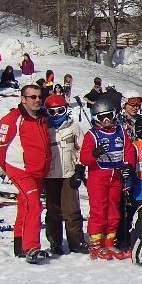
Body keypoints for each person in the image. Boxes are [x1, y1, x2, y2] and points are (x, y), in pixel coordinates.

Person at [0, 85, 52, 263]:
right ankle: (31, 246)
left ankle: (19, 244)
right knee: (34, 204)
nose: (37, 100)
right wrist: (5, 167)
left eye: (39, 97)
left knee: (25, 205)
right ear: (23, 99)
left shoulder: (42, 117)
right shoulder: (13, 118)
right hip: (20, 169)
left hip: (38, 170)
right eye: (32, 97)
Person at [79, 96, 137, 260]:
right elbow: (84, 158)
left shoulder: (121, 131)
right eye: (101, 117)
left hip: (116, 177)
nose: (105, 121)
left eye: (108, 116)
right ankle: (96, 243)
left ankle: (109, 241)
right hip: (98, 177)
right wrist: (95, 154)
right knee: (99, 210)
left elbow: (129, 150)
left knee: (113, 210)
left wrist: (128, 165)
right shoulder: (92, 135)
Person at [42, 94, 87, 255]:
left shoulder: (73, 128)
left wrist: (80, 169)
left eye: (60, 111)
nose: (56, 115)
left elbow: (83, 148)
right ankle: (55, 242)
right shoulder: (43, 128)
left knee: (72, 210)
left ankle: (76, 242)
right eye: (52, 112)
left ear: (66, 110)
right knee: (53, 211)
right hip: (49, 175)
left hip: (68, 173)